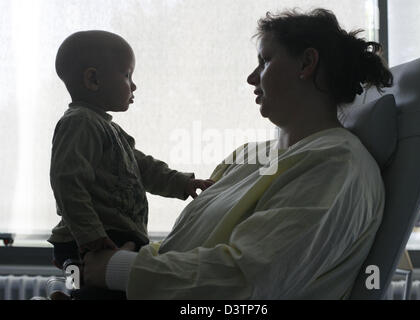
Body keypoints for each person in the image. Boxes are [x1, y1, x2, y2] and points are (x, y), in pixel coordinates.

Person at [83, 8, 393, 299]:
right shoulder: (251, 155)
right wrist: (125, 255)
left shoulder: (337, 164)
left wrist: (117, 269)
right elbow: (194, 248)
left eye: (265, 61)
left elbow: (249, 279)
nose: (251, 78)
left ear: (306, 63)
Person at [48, 31, 214, 297]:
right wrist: (90, 235)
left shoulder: (111, 131)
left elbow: (145, 168)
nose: (133, 85)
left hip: (111, 236)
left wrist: (183, 183)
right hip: (90, 239)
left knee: (101, 291)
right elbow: (67, 182)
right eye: (127, 76)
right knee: (96, 291)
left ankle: (66, 294)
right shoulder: (79, 123)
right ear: (93, 79)